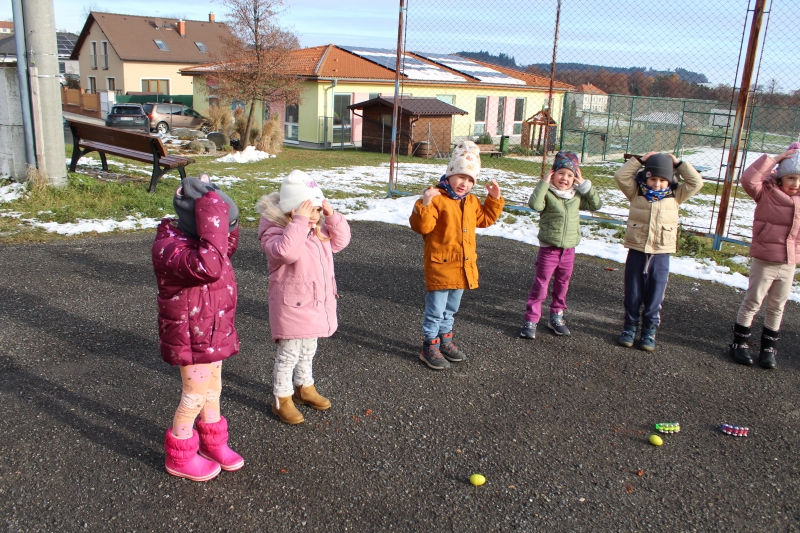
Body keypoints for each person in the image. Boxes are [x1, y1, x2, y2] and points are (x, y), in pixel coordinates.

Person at [152, 173, 244, 482]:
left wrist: (224, 217)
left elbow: (225, 247)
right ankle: (179, 455)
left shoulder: (206, 244)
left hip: (213, 333)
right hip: (191, 339)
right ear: (202, 224)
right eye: (219, 226)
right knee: (193, 396)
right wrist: (212, 214)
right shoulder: (171, 247)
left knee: (213, 391)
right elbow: (210, 266)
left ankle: (212, 443)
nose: (223, 235)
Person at [257, 170, 351, 424]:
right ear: (293, 210)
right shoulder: (275, 232)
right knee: (289, 355)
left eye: (318, 210)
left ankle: (304, 386)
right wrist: (298, 222)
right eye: (310, 209)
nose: (316, 215)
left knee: (309, 350)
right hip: (292, 306)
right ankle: (282, 398)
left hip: (315, 304)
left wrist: (332, 216)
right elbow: (285, 253)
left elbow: (341, 242)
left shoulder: (317, 231)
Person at [409, 140, 504, 370]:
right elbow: (422, 226)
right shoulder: (437, 199)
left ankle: (445, 340)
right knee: (435, 310)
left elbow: (485, 219)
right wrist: (425, 203)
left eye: (470, 180)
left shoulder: (470, 201)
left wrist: (493, 200)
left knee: (451, 309)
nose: (465, 183)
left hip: (463, 266)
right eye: (461, 177)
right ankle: (429, 345)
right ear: (450, 174)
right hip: (440, 266)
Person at [614, 152, 703, 351]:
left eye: (663, 180)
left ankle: (649, 330)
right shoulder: (636, 192)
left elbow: (696, 183)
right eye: (653, 179)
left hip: (661, 252)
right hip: (637, 249)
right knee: (633, 292)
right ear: (646, 177)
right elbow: (621, 176)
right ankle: (629, 327)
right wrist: (640, 161)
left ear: (670, 180)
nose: (657, 184)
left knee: (655, 293)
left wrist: (679, 164)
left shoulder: (676, 195)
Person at [730, 143, 800, 369]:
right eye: (791, 178)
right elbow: (748, 179)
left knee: (777, 306)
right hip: (765, 261)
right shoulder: (766, 192)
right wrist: (775, 159)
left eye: (799, 179)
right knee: (753, 301)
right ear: (780, 177)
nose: (795, 183)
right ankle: (739, 344)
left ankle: (768, 349)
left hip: (788, 263)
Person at [520, 151, 602, 339]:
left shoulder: (577, 196)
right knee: (541, 284)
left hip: (568, 250)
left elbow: (596, 204)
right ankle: (531, 319)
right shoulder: (547, 194)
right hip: (549, 249)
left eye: (570, 175)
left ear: (575, 178)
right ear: (553, 174)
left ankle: (556, 316)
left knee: (562, 284)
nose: (565, 178)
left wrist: (584, 185)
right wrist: (544, 183)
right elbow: (535, 205)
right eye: (561, 173)